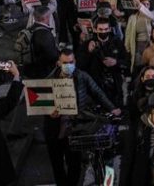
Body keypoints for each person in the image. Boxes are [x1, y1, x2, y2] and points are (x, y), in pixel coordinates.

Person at [44, 49, 120, 186]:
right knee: (57, 163)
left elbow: (97, 92)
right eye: (65, 63)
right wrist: (48, 111)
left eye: (71, 62)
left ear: (75, 61)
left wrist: (112, 108)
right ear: (58, 63)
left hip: (75, 127)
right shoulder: (49, 80)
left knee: (74, 163)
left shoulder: (82, 76)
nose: (68, 65)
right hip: (54, 128)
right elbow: (40, 103)